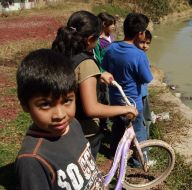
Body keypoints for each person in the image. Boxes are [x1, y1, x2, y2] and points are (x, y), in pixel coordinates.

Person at [52, 10, 137, 159]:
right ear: (90, 39)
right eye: (97, 38)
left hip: (63, 125)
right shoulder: (86, 64)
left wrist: (97, 74)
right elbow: (92, 108)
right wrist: (125, 109)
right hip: (84, 132)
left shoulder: (61, 52)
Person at [15, 49, 104, 190]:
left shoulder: (74, 124)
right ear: (25, 105)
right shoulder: (32, 160)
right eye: (45, 104)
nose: (60, 115)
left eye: (67, 101)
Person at [102, 13, 153, 159]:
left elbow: (104, 68)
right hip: (132, 103)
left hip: (115, 100)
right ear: (140, 34)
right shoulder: (139, 55)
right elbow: (146, 78)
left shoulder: (111, 48)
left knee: (117, 129)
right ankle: (141, 161)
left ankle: (114, 155)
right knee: (139, 131)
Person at [135, 30, 153, 138]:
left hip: (143, 92)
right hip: (139, 94)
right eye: (142, 42)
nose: (145, 46)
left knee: (145, 118)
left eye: (148, 43)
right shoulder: (139, 56)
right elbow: (146, 78)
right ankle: (143, 145)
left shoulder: (142, 55)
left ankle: (145, 139)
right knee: (142, 119)